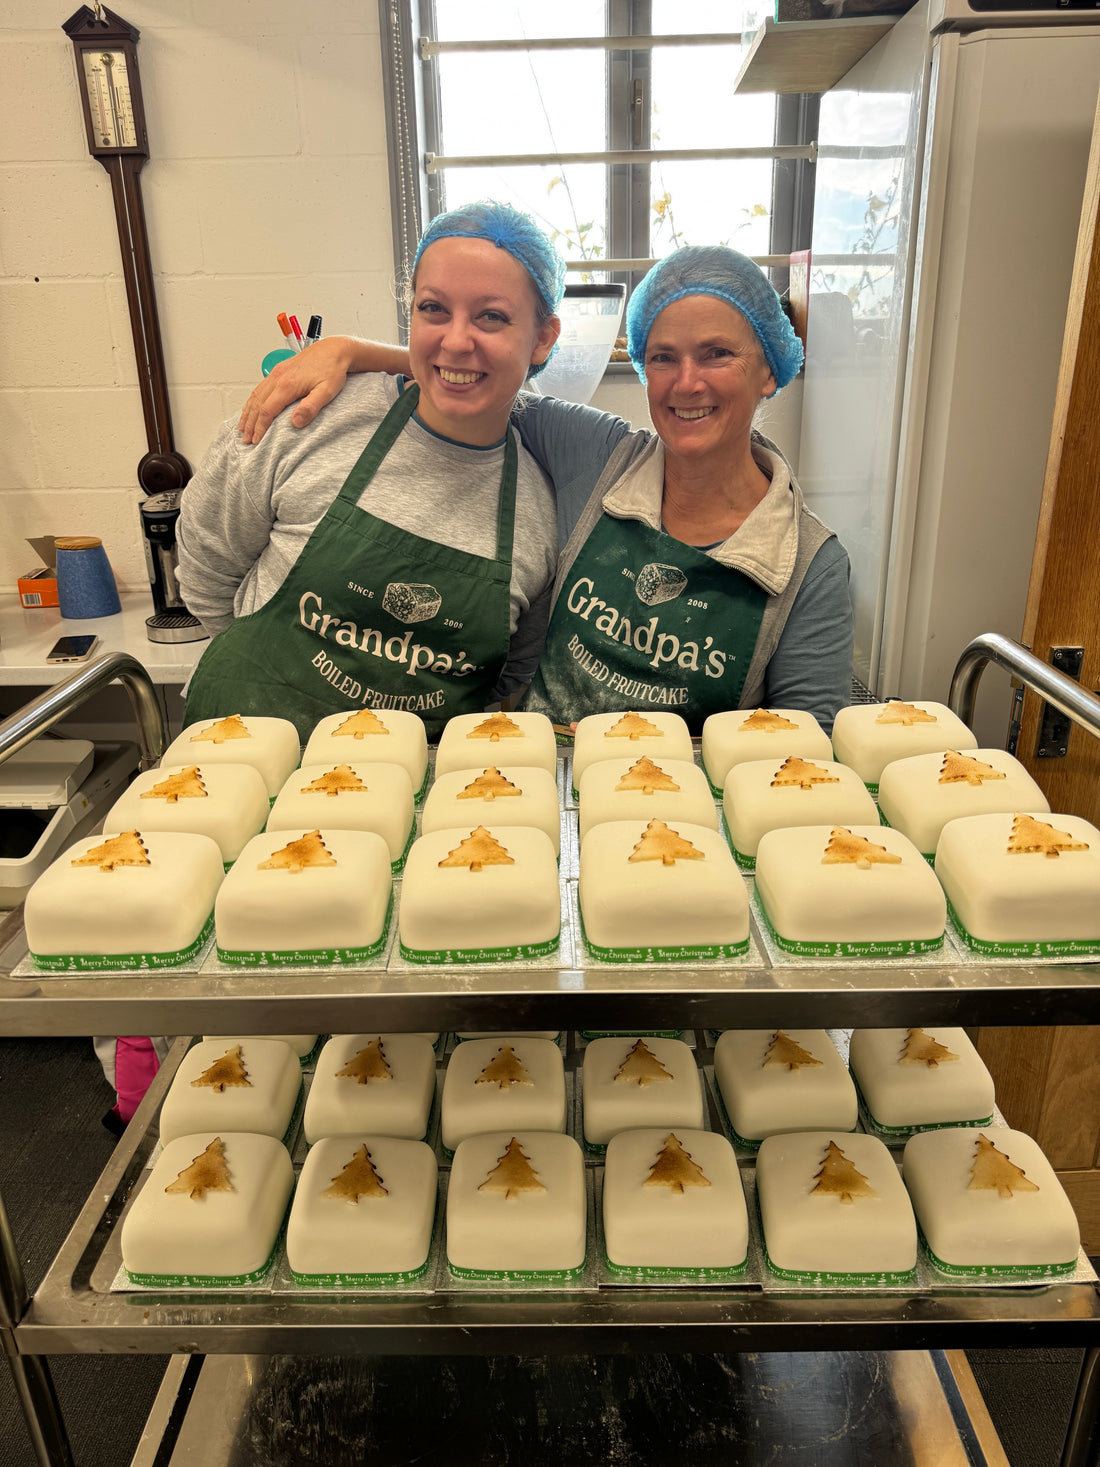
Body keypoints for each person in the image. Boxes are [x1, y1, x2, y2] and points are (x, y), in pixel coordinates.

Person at [238, 245, 853, 733]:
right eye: (663, 358)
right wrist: (351, 350)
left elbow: (803, 751)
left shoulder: (809, 564)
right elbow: (481, 375)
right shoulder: (600, 457)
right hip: (530, 789)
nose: (686, 383)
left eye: (716, 354)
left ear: (771, 367)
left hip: (678, 818)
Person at [177, 201, 565, 740]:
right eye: (433, 309)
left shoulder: (540, 513)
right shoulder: (311, 416)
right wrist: (256, 687)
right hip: (234, 759)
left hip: (407, 805)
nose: (455, 340)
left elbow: (509, 679)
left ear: (544, 338)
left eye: (491, 316)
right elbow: (205, 570)